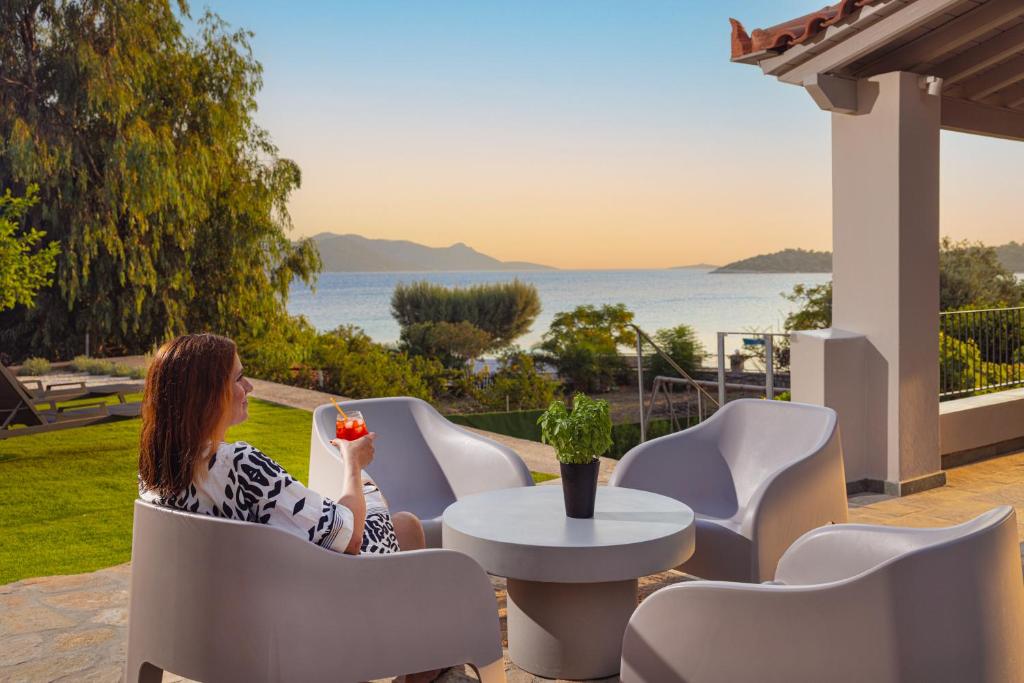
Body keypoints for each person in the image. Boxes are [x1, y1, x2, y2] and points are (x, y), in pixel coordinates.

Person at [138, 332, 425, 556]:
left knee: (393, 517)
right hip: (317, 586)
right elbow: (351, 539)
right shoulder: (240, 466)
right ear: (208, 395)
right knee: (400, 518)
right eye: (239, 378)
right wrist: (353, 463)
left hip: (235, 590)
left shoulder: (156, 469)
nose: (249, 387)